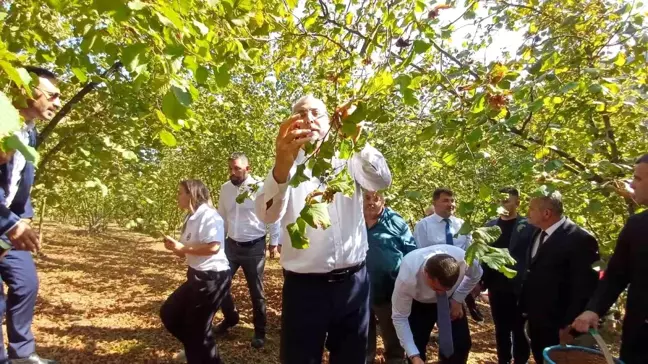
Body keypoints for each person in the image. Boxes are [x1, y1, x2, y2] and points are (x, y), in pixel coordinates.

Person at [255, 95, 392, 364]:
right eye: (301, 114)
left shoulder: (349, 156)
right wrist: (282, 162)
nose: (309, 119)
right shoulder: (288, 164)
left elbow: (382, 180)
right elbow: (266, 214)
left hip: (354, 284)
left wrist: (357, 139)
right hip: (305, 289)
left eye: (315, 113)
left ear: (330, 119)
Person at [0, 66, 61, 364]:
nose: (58, 102)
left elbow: (20, 183)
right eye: (52, 95)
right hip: (5, 224)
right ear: (26, 91)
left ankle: (22, 353)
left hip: (9, 224)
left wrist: (23, 219)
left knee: (26, 283)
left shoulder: (30, 132)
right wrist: (10, 225)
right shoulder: (2, 127)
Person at [572, 154, 648, 364]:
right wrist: (593, 309)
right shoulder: (637, 226)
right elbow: (616, 275)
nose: (632, 184)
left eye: (639, 179)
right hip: (639, 342)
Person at [521, 191, 600, 363]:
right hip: (537, 320)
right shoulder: (538, 232)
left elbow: (584, 288)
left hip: (559, 327)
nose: (527, 212)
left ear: (546, 213)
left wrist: (569, 328)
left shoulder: (580, 239)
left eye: (531, 208)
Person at [160, 180, 231, 364]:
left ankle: (200, 354)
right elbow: (185, 253)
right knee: (169, 313)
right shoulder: (190, 218)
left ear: (191, 194)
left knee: (198, 329)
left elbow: (213, 247)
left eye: (180, 193)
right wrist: (175, 248)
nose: (177, 197)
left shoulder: (209, 216)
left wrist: (183, 247)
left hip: (212, 278)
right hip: (196, 275)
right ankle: (194, 350)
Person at [213, 152, 280, 349]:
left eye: (237, 169)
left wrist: (274, 242)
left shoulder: (260, 187)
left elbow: (272, 216)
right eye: (230, 168)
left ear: (247, 169)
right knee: (219, 284)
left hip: (254, 247)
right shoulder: (225, 189)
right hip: (231, 246)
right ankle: (230, 318)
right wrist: (217, 243)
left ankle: (260, 331)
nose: (233, 173)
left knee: (256, 292)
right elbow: (222, 217)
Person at [391, 245, 482, 364]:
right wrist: (414, 356)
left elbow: (477, 274)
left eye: (446, 288)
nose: (441, 292)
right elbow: (400, 317)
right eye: (436, 288)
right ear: (426, 273)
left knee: (461, 344)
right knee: (416, 345)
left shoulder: (463, 258)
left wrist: (457, 298)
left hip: (450, 300)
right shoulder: (407, 277)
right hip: (419, 305)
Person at [363, 190, 417, 364]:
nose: (371, 202)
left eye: (376, 198)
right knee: (362, 331)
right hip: (358, 289)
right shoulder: (352, 220)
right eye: (367, 198)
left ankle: (395, 360)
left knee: (392, 331)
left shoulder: (395, 220)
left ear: (383, 201)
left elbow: (411, 251)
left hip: (390, 288)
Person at [413, 188, 483, 322]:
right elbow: (420, 256)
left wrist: (458, 297)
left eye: (453, 200)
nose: (450, 204)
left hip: (457, 287)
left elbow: (470, 256)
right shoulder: (423, 225)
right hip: (431, 287)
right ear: (434, 203)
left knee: (460, 340)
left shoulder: (462, 225)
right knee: (420, 335)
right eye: (445, 200)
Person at [481, 188, 534, 364]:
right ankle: (503, 360)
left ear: (517, 203)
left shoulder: (529, 226)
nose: (503, 204)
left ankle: (521, 360)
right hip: (496, 286)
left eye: (507, 201)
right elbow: (483, 255)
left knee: (519, 328)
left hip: (520, 288)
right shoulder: (489, 226)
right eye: (500, 200)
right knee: (501, 329)